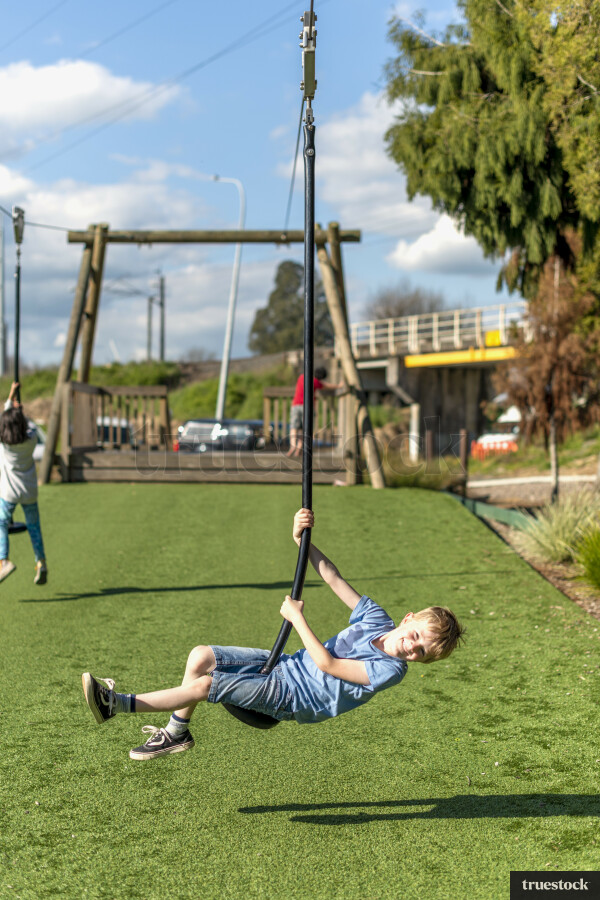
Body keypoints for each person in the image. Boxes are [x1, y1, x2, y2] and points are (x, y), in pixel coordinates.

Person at [82, 508, 465, 761]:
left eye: (421, 653)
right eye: (416, 636)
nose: (411, 648)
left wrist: (298, 619)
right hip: (284, 666)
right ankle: (177, 733)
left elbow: (329, 664)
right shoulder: (376, 619)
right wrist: (302, 543)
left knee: (205, 685)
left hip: (295, 696)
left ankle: (115, 704)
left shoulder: (390, 671)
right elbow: (332, 576)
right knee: (200, 656)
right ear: (408, 618)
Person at [0, 382, 48, 585]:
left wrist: (11, 399)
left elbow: (6, 416)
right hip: (29, 491)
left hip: (9, 493)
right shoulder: (30, 440)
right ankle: (41, 563)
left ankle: (4, 560)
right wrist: (20, 411)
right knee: (34, 527)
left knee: (1, 523)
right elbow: (27, 425)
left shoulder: (4, 443)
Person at [287, 366, 343, 457]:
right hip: (307, 407)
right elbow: (327, 386)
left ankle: (292, 446)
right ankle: (298, 449)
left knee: (294, 427)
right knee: (304, 429)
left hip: (296, 405)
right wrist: (338, 386)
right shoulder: (316, 382)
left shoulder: (301, 377)